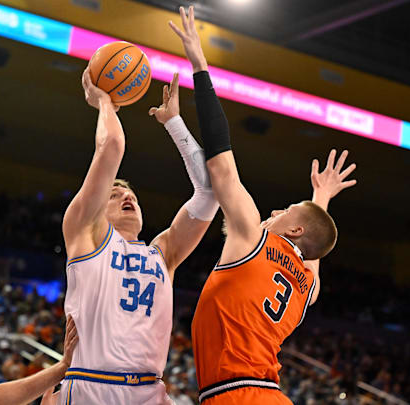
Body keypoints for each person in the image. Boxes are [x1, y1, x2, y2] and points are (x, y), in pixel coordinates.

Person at [169, 6, 357, 404]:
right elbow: (312, 250)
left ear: (294, 229)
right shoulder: (307, 287)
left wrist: (199, 66)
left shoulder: (252, 238)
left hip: (235, 395)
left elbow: (220, 163)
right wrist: (319, 199)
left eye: (284, 211)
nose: (274, 211)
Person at [59, 66, 219, 404]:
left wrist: (174, 122)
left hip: (150, 390)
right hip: (94, 385)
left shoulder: (163, 253)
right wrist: (104, 101)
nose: (126, 196)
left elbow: (210, 190)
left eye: (130, 195)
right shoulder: (84, 232)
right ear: (97, 206)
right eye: (115, 194)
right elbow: (112, 145)